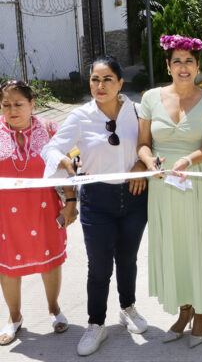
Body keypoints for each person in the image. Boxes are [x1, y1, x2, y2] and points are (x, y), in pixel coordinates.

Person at [42, 56, 150, 356]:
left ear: (120, 83)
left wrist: (141, 162)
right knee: (99, 267)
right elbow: (49, 148)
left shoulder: (137, 111)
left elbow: (148, 142)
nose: (100, 86)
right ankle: (96, 323)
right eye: (94, 79)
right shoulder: (80, 116)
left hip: (134, 196)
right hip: (96, 201)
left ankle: (127, 307)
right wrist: (64, 161)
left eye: (107, 80)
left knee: (128, 259)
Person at [137, 34, 202, 348]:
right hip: (163, 184)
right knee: (174, 246)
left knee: (199, 242)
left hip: (197, 178)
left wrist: (187, 160)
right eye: (176, 61)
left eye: (189, 61)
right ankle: (184, 311)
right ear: (167, 66)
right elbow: (142, 144)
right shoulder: (150, 98)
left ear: (197, 66)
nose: (183, 67)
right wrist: (149, 159)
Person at [0, 80, 75, 346]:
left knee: (50, 260)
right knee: (8, 267)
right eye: (6, 105)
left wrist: (71, 202)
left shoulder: (50, 129)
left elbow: (65, 166)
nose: (12, 110)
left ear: (32, 105)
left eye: (18, 104)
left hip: (44, 208)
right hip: (5, 214)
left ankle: (54, 309)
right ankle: (14, 317)